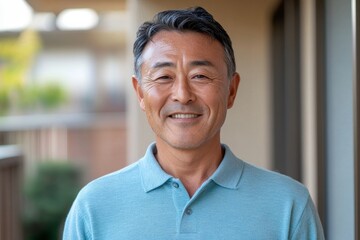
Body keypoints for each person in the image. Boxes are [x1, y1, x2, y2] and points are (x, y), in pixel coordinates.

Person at [63, 6, 324, 239]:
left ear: (231, 91)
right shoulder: (94, 207)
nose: (183, 95)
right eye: (164, 77)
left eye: (200, 76)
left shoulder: (288, 205)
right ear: (140, 93)